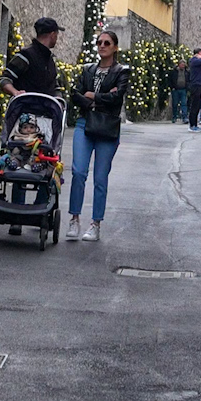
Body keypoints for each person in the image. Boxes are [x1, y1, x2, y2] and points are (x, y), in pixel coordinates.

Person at [66, 31, 129, 242]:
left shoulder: (121, 71)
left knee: (100, 178)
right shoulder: (87, 69)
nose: (102, 46)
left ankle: (95, 224)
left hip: (107, 127)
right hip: (85, 124)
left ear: (115, 47)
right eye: (99, 42)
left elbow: (117, 97)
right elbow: (75, 94)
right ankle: (74, 219)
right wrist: (98, 100)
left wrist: (93, 96)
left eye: (107, 43)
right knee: (78, 172)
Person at [2, 17, 64, 98]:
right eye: (57, 34)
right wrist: (15, 92)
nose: (57, 38)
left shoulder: (50, 60)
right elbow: (4, 78)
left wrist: (59, 99)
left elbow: (55, 87)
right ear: (52, 35)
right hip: (25, 107)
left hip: (47, 109)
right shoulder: (26, 55)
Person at [184, 48, 201, 132]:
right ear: (198, 54)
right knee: (194, 105)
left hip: (198, 84)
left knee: (197, 106)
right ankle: (192, 125)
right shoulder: (194, 60)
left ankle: (195, 124)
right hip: (195, 85)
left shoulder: (196, 61)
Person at [169, 60, 190, 124]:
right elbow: (170, 79)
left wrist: (188, 87)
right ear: (179, 65)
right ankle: (174, 117)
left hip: (183, 89)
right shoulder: (174, 72)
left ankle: (184, 117)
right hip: (175, 90)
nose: (183, 66)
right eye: (181, 64)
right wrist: (172, 87)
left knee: (184, 103)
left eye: (184, 65)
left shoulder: (186, 72)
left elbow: (188, 80)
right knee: (175, 103)